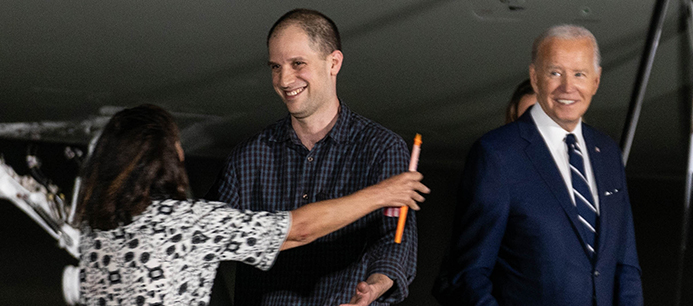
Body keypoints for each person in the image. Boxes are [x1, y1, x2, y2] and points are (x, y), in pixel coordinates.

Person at [75, 104, 429, 306]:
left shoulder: (95, 232)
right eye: (176, 144)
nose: (182, 153)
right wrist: (382, 194)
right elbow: (299, 230)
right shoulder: (188, 223)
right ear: (161, 157)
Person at [210, 8, 417, 306]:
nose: (283, 79)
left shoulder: (382, 148)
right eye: (275, 67)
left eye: (297, 64)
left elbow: (395, 239)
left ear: (333, 63)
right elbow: (214, 239)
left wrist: (375, 286)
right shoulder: (249, 156)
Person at [433, 25, 643, 305]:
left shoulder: (606, 152)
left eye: (579, 74)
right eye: (555, 73)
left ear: (596, 80)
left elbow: (625, 264)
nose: (568, 87)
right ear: (535, 78)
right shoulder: (497, 153)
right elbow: (469, 273)